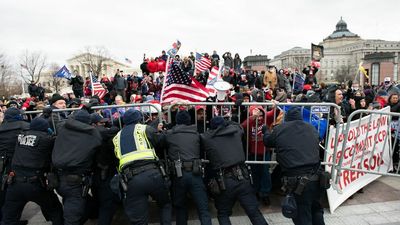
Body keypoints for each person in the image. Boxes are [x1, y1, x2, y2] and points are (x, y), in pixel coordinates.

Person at [263, 107, 325, 225]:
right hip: (317, 179)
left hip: (299, 183)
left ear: (286, 118)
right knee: (316, 210)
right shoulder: (311, 128)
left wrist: (266, 130)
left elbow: (268, 141)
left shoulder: (280, 129)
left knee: (302, 216)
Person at [201, 116, 268, 225]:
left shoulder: (207, 138)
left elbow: (203, 135)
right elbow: (237, 125)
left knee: (223, 213)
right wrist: (227, 120)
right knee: (254, 212)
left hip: (225, 181)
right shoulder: (236, 131)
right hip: (243, 178)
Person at [113, 109, 171, 225]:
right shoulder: (143, 128)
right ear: (139, 120)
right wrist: (161, 133)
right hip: (153, 174)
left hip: (131, 180)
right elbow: (161, 142)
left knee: (139, 220)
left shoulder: (116, 137)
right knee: (165, 205)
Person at [2, 117, 63, 225]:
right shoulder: (47, 139)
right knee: (55, 210)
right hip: (35, 183)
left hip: (15, 183)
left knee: (9, 217)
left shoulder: (20, 137)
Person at [52, 110, 102, 225]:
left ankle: (93, 214)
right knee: (72, 214)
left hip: (58, 177)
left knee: (82, 202)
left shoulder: (62, 128)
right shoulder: (92, 133)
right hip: (75, 180)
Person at [164, 110, 211, 225]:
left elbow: (160, 143)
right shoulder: (196, 134)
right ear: (189, 121)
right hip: (195, 172)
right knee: (203, 208)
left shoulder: (169, 134)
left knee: (180, 208)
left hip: (178, 174)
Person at [0, 108, 30, 223]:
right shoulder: (26, 126)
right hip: (19, 163)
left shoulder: (1, 128)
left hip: (3, 164)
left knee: (5, 195)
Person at [90, 113, 120, 225]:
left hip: (96, 174)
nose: (104, 125)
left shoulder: (87, 136)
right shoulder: (105, 136)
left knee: (100, 199)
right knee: (106, 204)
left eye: (104, 123)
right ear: (93, 124)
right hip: (104, 174)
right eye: (101, 123)